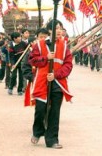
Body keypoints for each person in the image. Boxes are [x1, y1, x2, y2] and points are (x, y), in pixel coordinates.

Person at [28, 19, 73, 148]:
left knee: (55, 112)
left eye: (60, 28)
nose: (59, 31)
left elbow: (68, 65)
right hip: (42, 82)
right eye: (56, 28)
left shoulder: (65, 46)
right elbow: (32, 61)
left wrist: (56, 75)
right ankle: (38, 131)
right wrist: (46, 58)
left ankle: (52, 140)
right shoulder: (40, 45)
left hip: (57, 82)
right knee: (40, 109)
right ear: (49, 31)